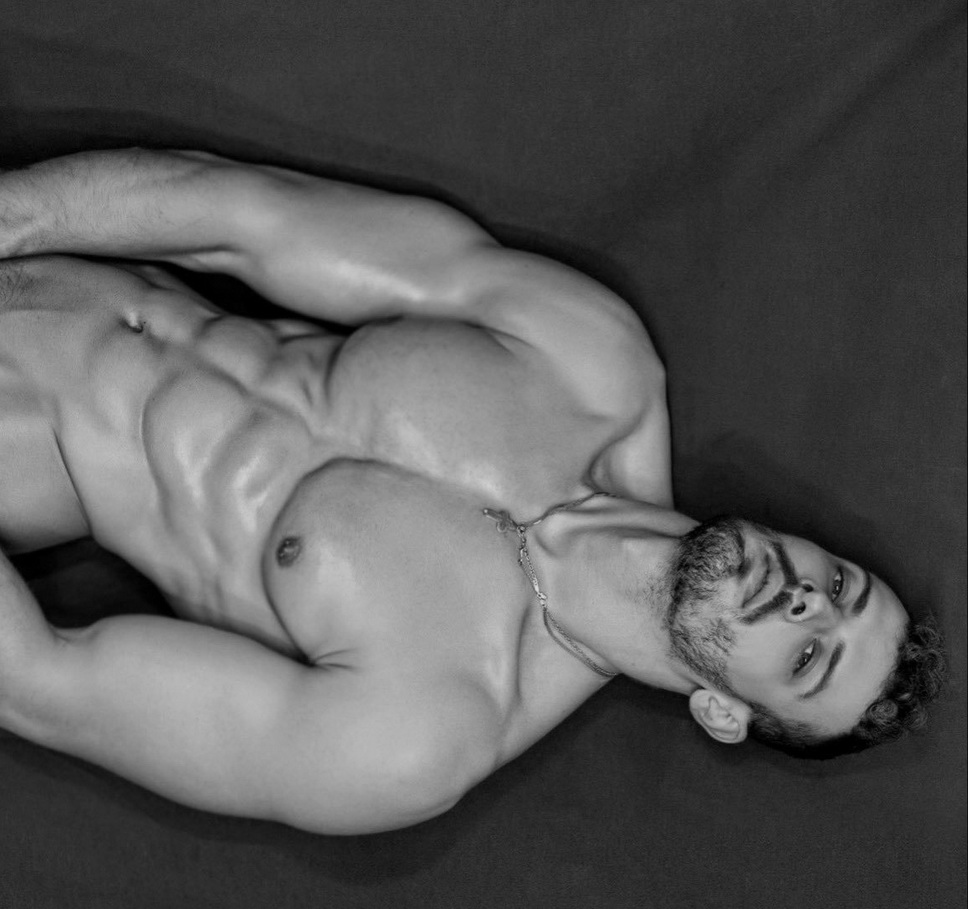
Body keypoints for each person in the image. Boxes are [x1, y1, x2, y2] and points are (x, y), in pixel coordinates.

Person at [0, 149, 944, 835]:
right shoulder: (595, 365)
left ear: (723, 712)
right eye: (843, 587)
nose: (809, 602)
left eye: (809, 657)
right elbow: (247, 215)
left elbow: (44, 680)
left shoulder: (417, 735)